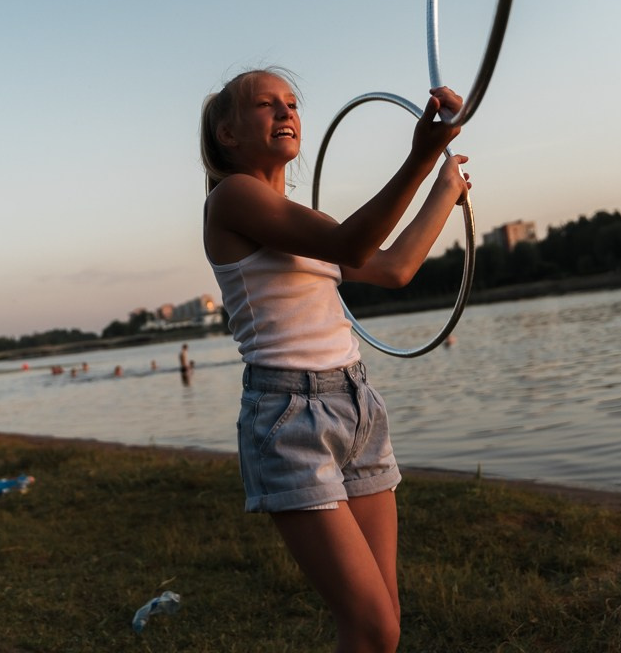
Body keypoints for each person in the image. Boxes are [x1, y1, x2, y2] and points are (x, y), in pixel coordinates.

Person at [200, 68, 470, 653]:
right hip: (289, 417)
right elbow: (353, 243)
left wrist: (444, 188)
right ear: (227, 132)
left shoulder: (302, 220)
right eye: (266, 105)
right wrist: (421, 156)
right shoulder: (234, 198)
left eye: (292, 103)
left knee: (383, 627)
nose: (285, 112)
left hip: (356, 406)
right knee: (371, 627)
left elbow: (393, 267)